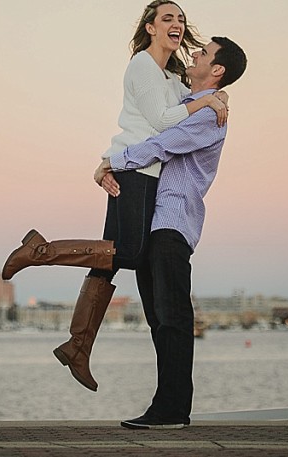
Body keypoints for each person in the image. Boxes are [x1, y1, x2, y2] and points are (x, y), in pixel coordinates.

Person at [1, 0, 228, 393]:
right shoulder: (142, 65)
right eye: (167, 18)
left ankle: (78, 346)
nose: (177, 24)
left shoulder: (169, 74)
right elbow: (161, 121)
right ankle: (40, 251)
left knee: (108, 260)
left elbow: (184, 99)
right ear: (151, 27)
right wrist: (208, 100)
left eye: (181, 19)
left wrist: (215, 96)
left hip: (133, 167)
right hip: (137, 170)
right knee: (129, 253)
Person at [95, 36, 247, 430]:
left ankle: (173, 410)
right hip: (154, 222)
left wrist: (109, 163)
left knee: (173, 317)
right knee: (157, 319)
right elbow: (159, 114)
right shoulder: (190, 104)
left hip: (172, 225)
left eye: (203, 53)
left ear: (217, 70)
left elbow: (161, 145)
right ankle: (166, 407)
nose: (194, 54)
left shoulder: (207, 116)